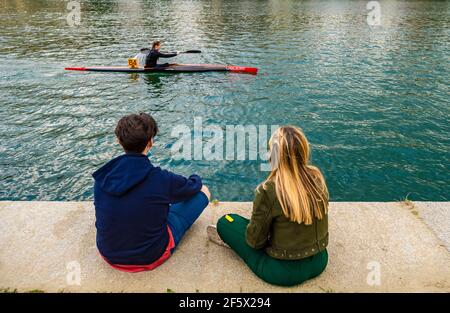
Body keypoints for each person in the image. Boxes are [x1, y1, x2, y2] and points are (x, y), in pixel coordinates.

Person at [207, 126, 329, 286]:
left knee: (227, 222)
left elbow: (255, 242)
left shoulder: (269, 190)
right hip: (318, 261)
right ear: (304, 151)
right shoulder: (317, 178)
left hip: (282, 271)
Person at [93, 113, 210, 272]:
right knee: (203, 192)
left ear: (119, 141)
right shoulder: (161, 178)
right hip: (150, 255)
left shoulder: (103, 177)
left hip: (110, 254)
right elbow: (194, 186)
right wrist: (195, 177)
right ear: (150, 142)